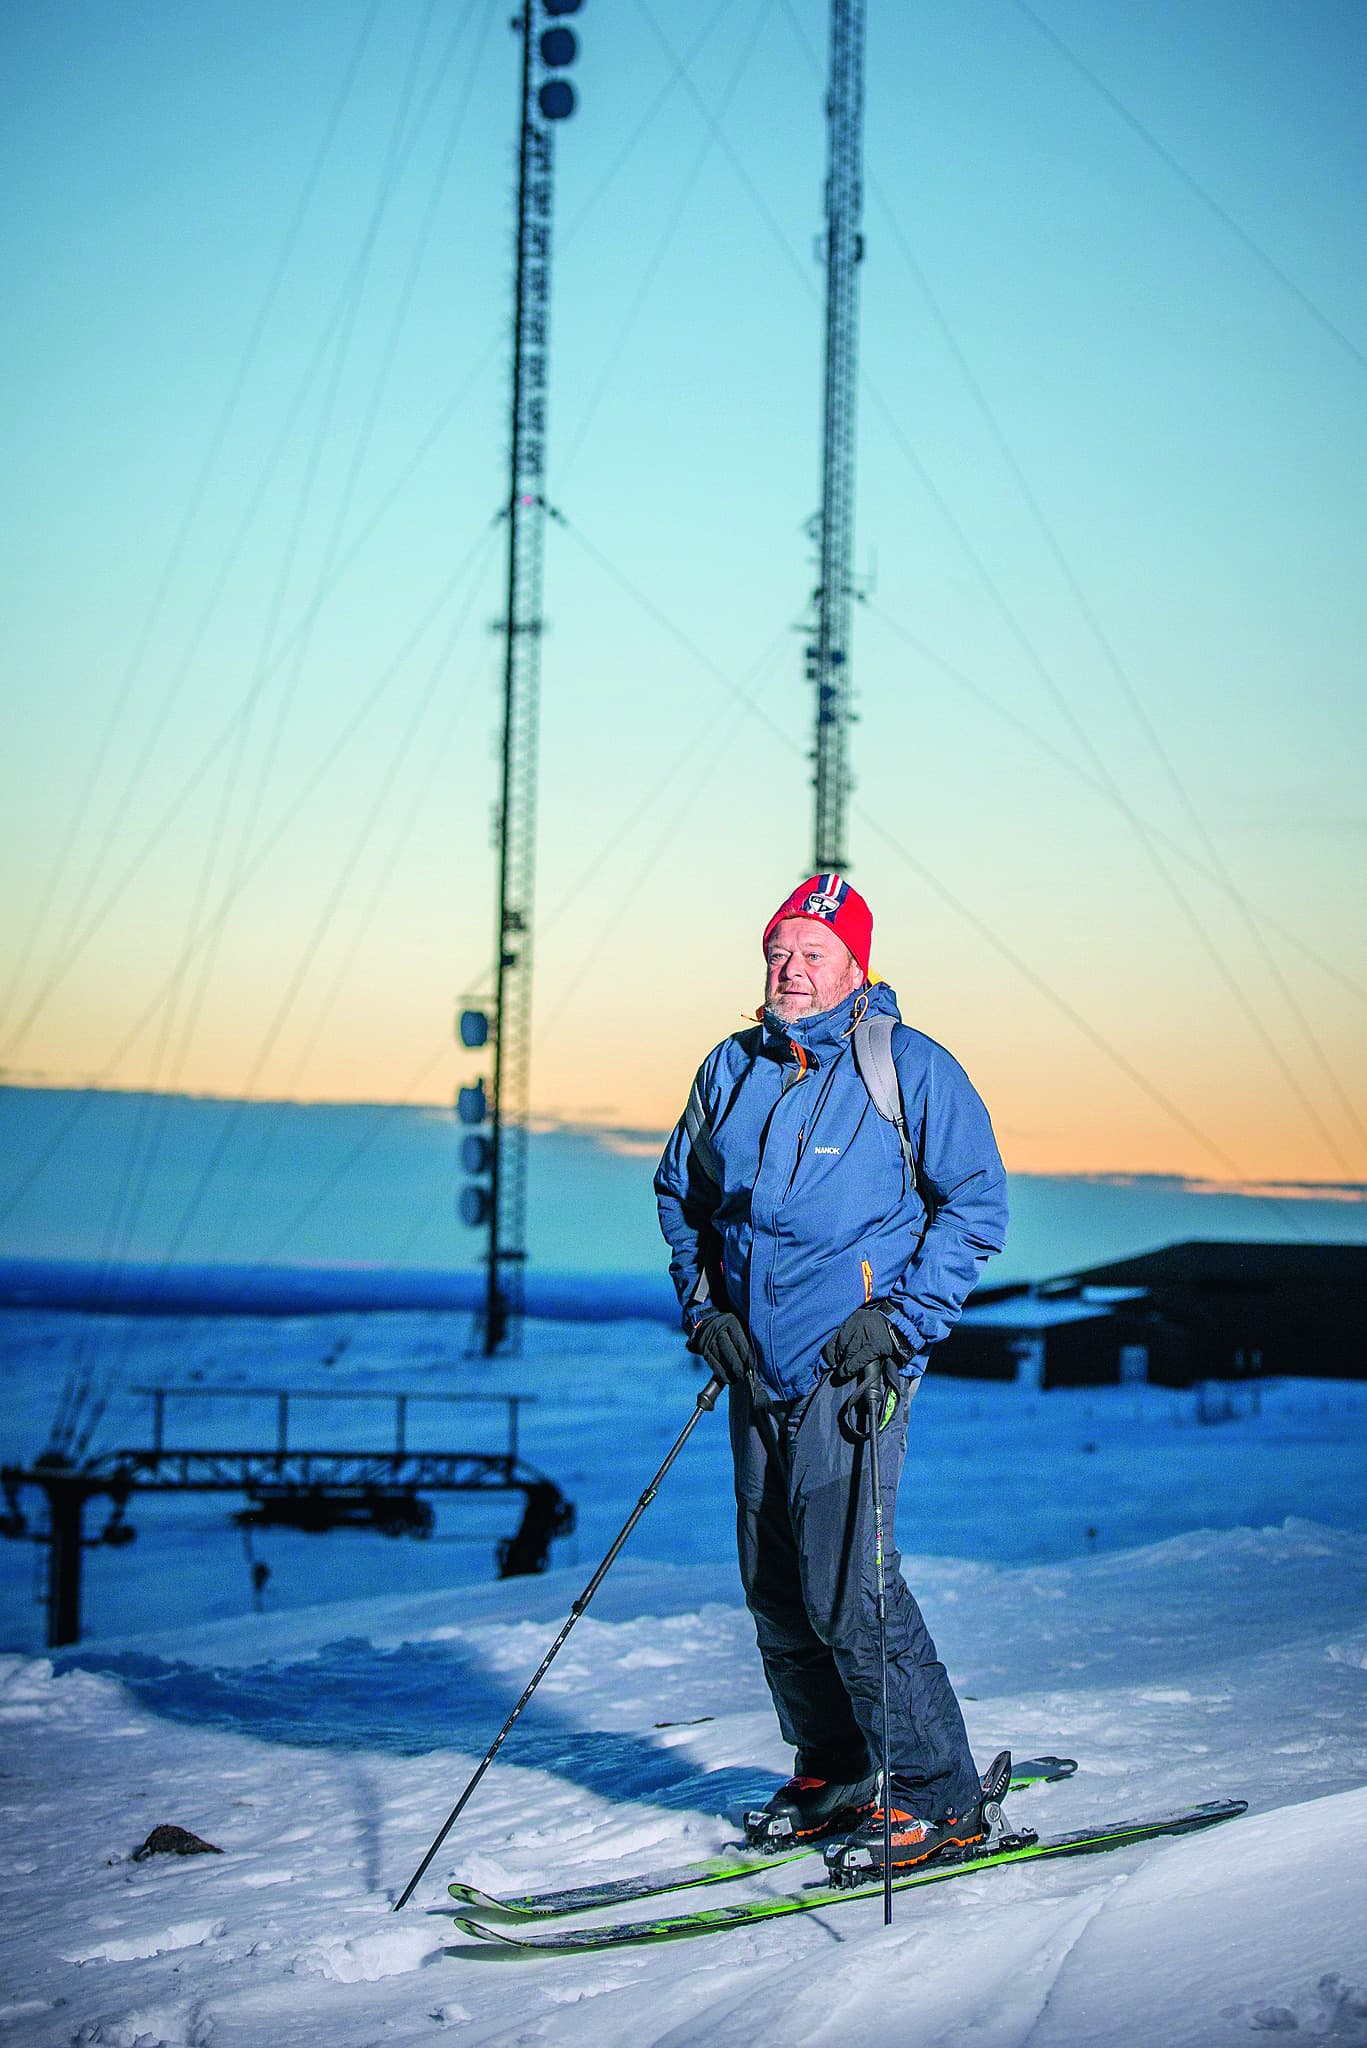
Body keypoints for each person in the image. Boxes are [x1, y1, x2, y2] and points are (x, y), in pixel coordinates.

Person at [654, 872, 1009, 1876]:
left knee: (850, 1588)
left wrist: (897, 1321)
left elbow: (975, 1206)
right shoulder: (730, 1068)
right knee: (775, 1587)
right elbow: (681, 1196)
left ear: (856, 965)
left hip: (853, 1371)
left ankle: (938, 1794)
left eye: (812, 953)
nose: (790, 969)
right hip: (755, 1368)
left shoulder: (906, 1066)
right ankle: (838, 1768)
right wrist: (705, 1311)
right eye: (778, 951)